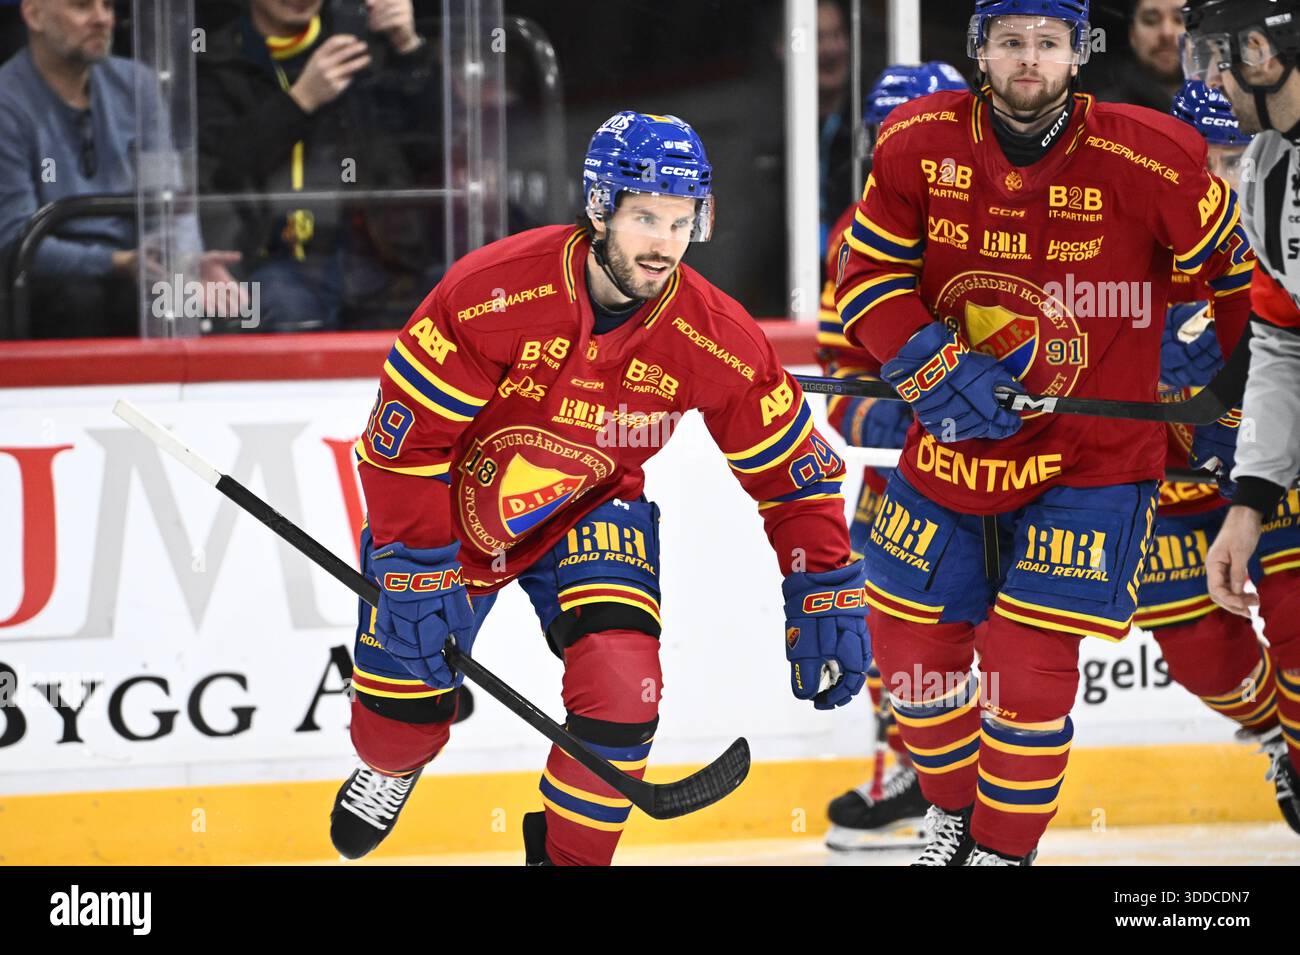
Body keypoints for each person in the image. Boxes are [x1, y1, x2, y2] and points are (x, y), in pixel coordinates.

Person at [330, 111, 870, 866]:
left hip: (591, 506)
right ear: (598, 207)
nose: (664, 244)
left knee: (623, 687)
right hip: (454, 513)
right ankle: (391, 760)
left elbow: (792, 478)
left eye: (683, 221)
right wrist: (414, 565)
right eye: (646, 216)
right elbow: (401, 446)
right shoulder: (493, 292)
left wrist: (825, 582)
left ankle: (569, 858)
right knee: (399, 715)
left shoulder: (714, 334)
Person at [836, 0, 1253, 865]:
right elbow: (866, 273)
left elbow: (1241, 278)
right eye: (1012, 43)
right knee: (912, 656)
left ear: (1079, 54)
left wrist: (1237, 404)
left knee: (1027, 668)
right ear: (981, 50)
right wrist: (930, 364)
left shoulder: (1152, 153)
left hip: (1091, 464)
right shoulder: (916, 143)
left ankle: (1001, 849)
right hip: (952, 449)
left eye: (1050, 44)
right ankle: (951, 812)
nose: (1031, 60)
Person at [1133, 80, 1300, 835]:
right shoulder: (1113, 238)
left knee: (1296, 624)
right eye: (1206, 166)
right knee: (1202, 657)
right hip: (1169, 491)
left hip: (1271, 471)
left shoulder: (1280, 233)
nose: (1224, 183)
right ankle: (1275, 735)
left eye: (1237, 159)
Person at [817, 61, 969, 852]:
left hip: (1004, 472)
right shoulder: (856, 234)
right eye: (885, 133)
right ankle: (920, 776)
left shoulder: (1006, 217)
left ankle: (981, 790)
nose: (896, 147)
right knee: (887, 629)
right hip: (902, 477)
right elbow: (839, 373)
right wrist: (915, 422)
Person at [1184, 0, 1300, 832]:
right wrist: (1251, 501)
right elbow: (1282, 345)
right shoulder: (1264, 170)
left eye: (1223, 56)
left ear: (1266, 50)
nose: (1214, 78)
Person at [0, 0, 240, 338]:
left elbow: (170, 198)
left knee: (236, 304)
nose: (102, 19)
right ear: (33, 14)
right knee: (82, 302)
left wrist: (185, 261)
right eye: (82, 6)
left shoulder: (137, 85)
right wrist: (120, 262)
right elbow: (14, 239)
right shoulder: (6, 102)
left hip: (139, 268)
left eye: (109, 6)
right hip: (55, 284)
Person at [196, 0, 440, 332]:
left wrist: (409, 50)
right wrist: (300, 102)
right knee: (283, 307)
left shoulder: (363, 43)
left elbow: (433, 149)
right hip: (273, 262)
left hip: (380, 258)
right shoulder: (216, 62)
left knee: (453, 297)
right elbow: (223, 172)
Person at [1095, 0, 1185, 111]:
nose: (1167, 33)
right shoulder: (1108, 116)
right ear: (1132, 34)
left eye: (1180, 19)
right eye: (1151, 20)